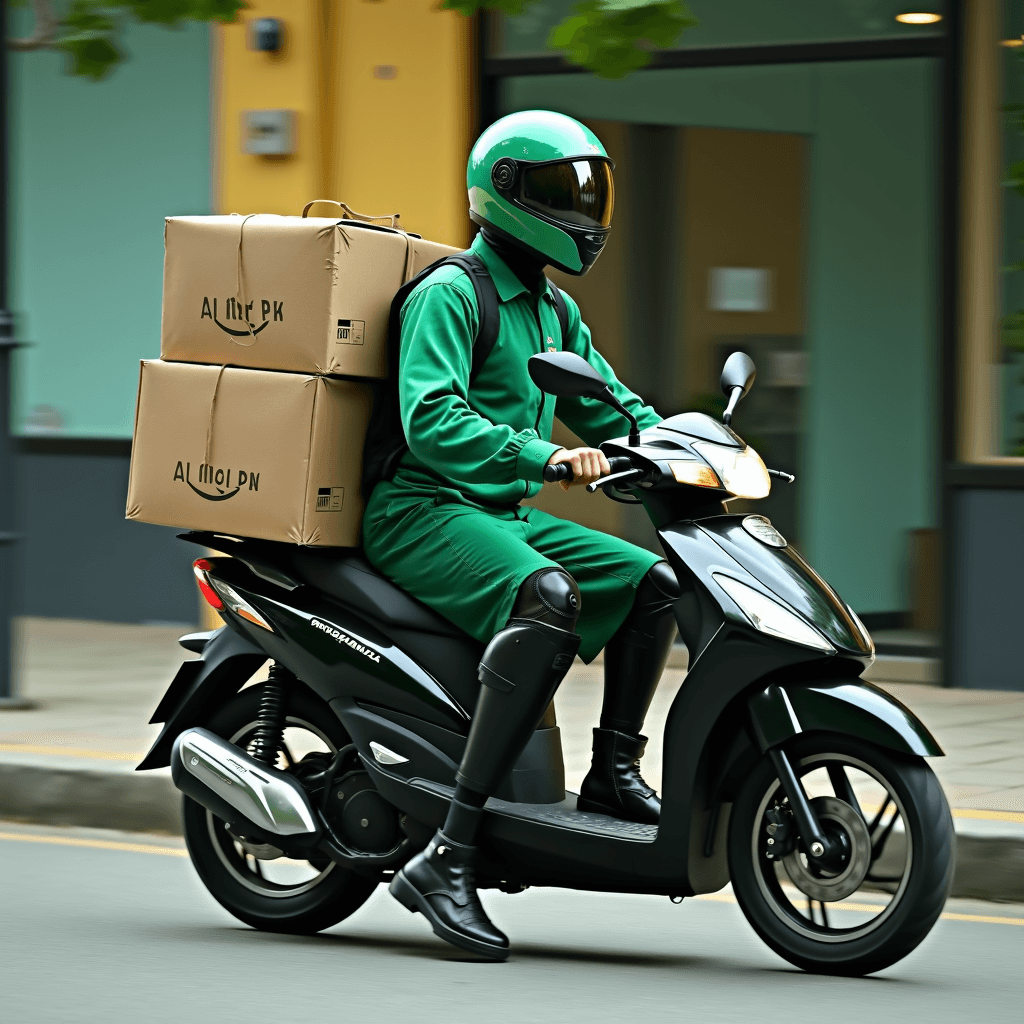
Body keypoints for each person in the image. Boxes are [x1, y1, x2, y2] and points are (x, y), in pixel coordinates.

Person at [363, 110, 680, 960]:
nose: (581, 211)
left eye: (587, 192)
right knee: (550, 597)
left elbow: (608, 403)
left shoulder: (552, 308)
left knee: (651, 582)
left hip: (493, 509)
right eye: (557, 193)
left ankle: (613, 774)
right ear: (503, 194)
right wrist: (545, 456)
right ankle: (451, 855)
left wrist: (682, 448)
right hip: (422, 508)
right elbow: (430, 418)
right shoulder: (451, 295)